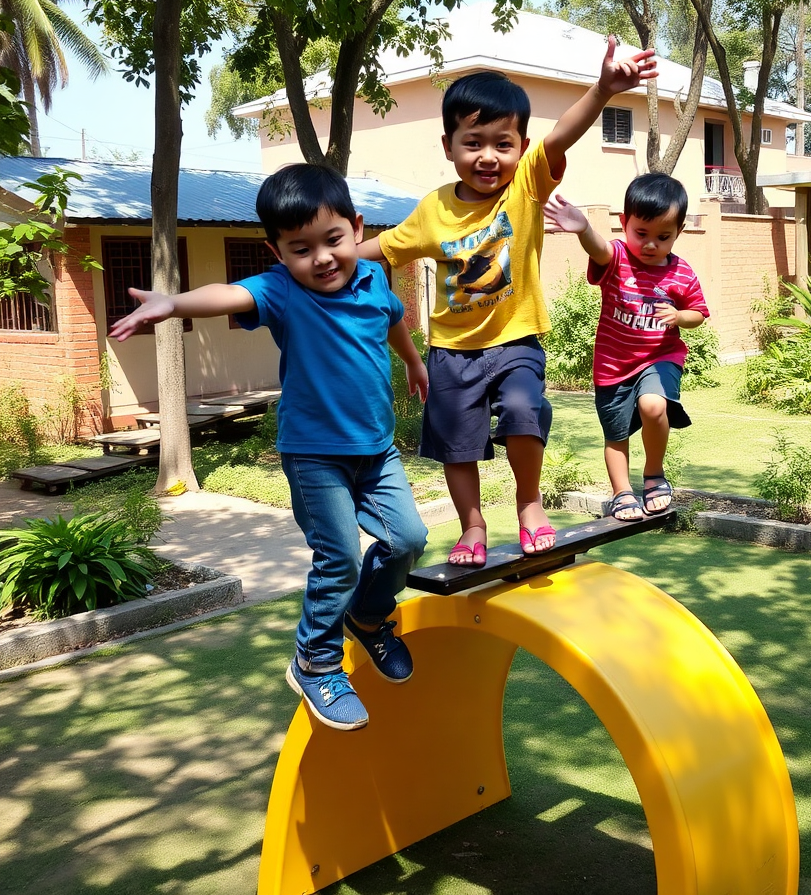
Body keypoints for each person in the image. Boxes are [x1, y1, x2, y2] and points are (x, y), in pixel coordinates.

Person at [108, 163, 429, 731]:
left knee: (408, 539)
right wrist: (173, 304)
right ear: (277, 253)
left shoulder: (375, 279)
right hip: (314, 456)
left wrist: (413, 361)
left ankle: (368, 616)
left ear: (357, 228)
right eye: (301, 249)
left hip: (378, 451)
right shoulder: (282, 290)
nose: (322, 258)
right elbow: (228, 293)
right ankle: (315, 661)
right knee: (339, 558)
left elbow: (393, 321)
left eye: (333, 239)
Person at [357, 35, 657, 566]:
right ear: (448, 145)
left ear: (521, 147)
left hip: (516, 338)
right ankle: (472, 527)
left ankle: (529, 503)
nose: (488, 156)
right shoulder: (432, 210)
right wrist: (326, 260)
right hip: (451, 351)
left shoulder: (526, 186)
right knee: (456, 441)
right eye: (473, 142)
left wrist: (604, 90)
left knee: (522, 409)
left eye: (503, 143)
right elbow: (381, 248)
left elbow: (563, 134)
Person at [543, 173, 709, 521]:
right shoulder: (617, 258)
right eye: (641, 233)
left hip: (660, 357)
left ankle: (654, 474)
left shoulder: (682, 273)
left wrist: (680, 316)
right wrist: (584, 230)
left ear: (678, 232)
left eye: (663, 237)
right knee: (616, 434)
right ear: (625, 222)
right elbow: (599, 249)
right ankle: (622, 492)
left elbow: (698, 314)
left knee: (653, 405)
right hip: (612, 366)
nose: (650, 244)